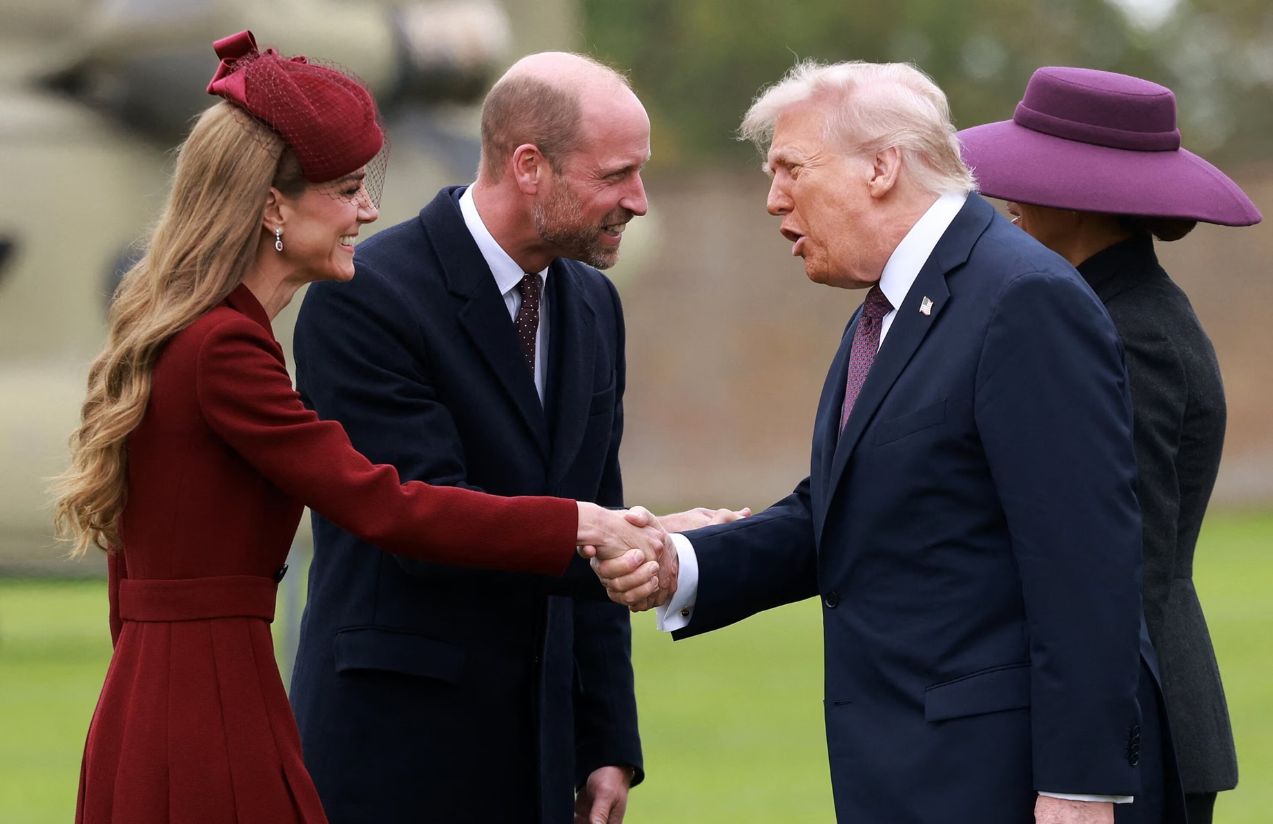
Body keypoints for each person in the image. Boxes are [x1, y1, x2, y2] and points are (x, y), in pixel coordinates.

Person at [51, 32, 664, 824]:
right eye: (345, 190)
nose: (366, 211)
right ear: (274, 204)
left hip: (169, 695)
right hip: (215, 707)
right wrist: (587, 526)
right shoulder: (226, 347)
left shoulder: (198, 335)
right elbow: (386, 504)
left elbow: (127, 575)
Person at [597, 60, 1164, 824]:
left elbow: (1084, 562)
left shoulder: (1020, 299)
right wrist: (685, 563)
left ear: (880, 166)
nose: (772, 200)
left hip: (1003, 782)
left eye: (790, 169)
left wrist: (1079, 786)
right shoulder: (894, 305)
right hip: (915, 776)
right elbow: (846, 510)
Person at [288, 51, 744, 824]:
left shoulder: (595, 305)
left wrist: (605, 741)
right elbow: (422, 522)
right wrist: (642, 538)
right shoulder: (366, 297)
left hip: (541, 760)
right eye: (615, 175)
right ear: (529, 165)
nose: (637, 201)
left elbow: (598, 499)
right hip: (395, 756)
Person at [957, 66, 1261, 824]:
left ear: (1084, 197)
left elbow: (1109, 552)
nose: (1008, 200)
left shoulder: (1129, 330)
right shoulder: (1098, 308)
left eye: (1029, 178)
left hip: (1135, 720)